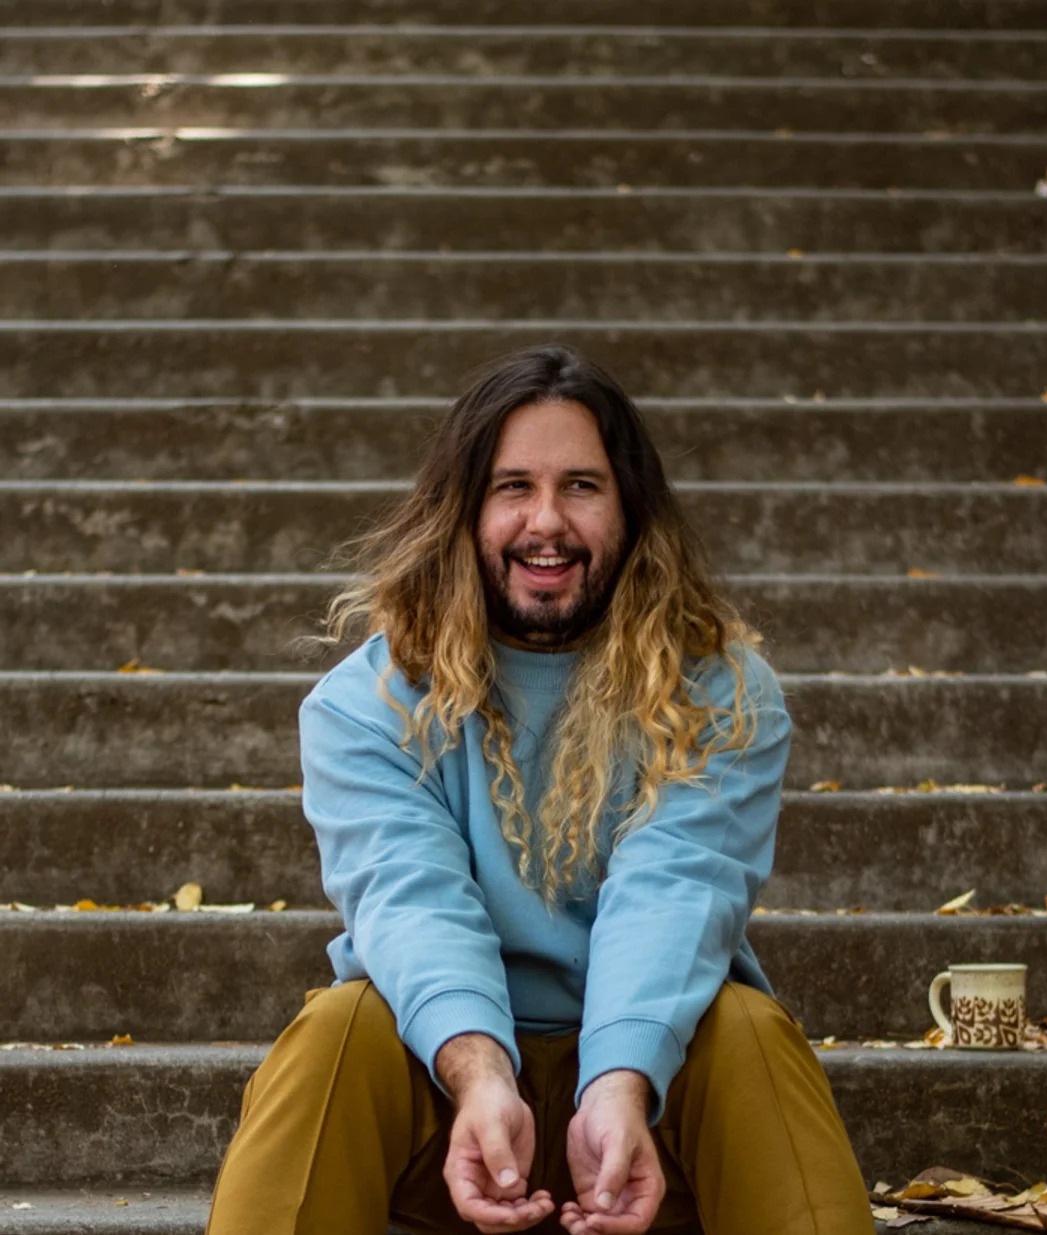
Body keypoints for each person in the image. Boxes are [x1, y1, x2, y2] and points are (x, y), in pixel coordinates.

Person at [205, 345, 874, 1235]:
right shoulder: (365, 703)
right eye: (512, 486)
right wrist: (481, 1075)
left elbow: (675, 889)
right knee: (337, 1029)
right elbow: (410, 899)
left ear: (631, 510)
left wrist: (619, 1080)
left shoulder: (718, 689)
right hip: (449, 1105)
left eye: (582, 487)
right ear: (463, 508)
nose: (545, 521)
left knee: (748, 1030)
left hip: (653, 1103)